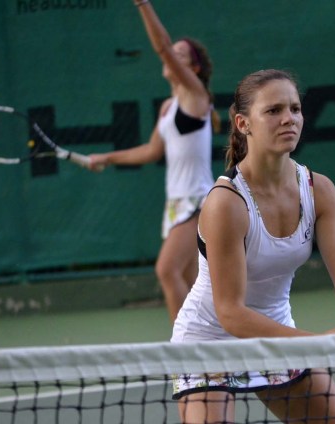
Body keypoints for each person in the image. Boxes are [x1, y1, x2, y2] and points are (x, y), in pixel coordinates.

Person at [170, 69, 335, 423]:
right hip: (208, 341)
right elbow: (231, 312)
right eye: (273, 111)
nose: (289, 119)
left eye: (295, 109)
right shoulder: (226, 204)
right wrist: (313, 342)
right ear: (243, 123)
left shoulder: (319, 190)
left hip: (276, 330)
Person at [88, 0, 220, 323]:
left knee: (166, 270)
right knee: (192, 287)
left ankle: (185, 354)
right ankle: (218, 348)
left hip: (197, 202)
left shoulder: (196, 95)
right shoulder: (168, 107)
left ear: (194, 68)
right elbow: (150, 151)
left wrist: (142, 4)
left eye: (180, 55)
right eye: (172, 54)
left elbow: (161, 46)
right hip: (175, 205)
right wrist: (107, 157)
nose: (171, 57)